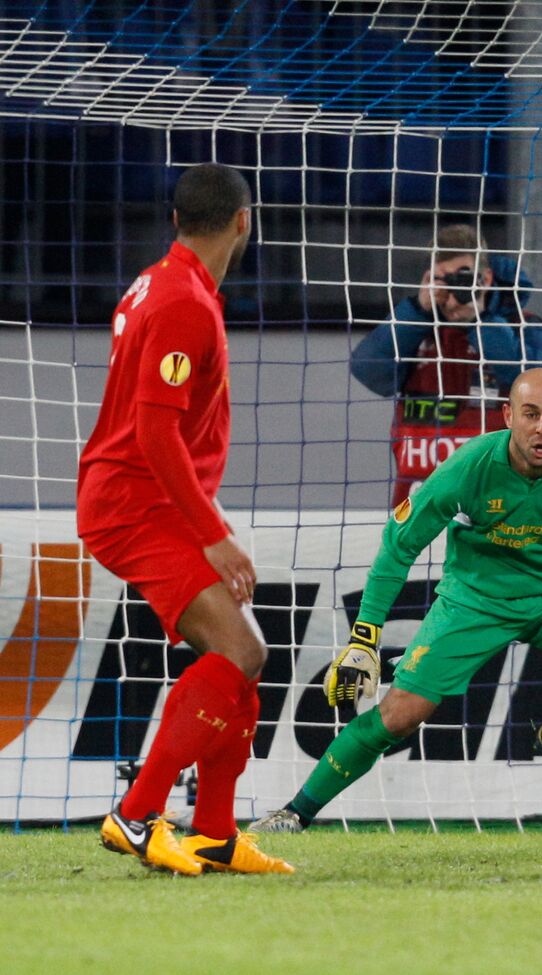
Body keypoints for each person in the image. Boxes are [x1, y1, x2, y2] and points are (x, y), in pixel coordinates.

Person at [250, 370, 542, 831]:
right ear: (508, 416)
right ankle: (295, 814)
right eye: (531, 414)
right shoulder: (469, 466)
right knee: (398, 717)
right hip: (475, 601)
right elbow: (401, 545)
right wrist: (365, 637)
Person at [77, 163, 292, 875]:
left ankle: (213, 832)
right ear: (243, 220)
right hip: (137, 505)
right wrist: (214, 533)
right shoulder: (182, 304)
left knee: (246, 655)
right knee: (236, 650)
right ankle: (135, 814)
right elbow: (153, 433)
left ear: (176, 220)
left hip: (151, 499)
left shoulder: (166, 286)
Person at [350, 224, 542, 505]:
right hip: (421, 498)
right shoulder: (414, 326)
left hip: (500, 498)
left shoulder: (521, 325)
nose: (452, 289)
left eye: (462, 278)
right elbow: (370, 373)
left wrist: (478, 321)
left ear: (484, 279)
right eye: (442, 279)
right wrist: (416, 311)